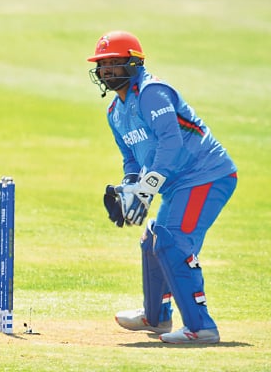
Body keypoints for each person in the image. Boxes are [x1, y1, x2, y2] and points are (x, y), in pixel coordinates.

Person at [87, 31, 237, 344]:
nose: (108, 71)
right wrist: (130, 187)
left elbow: (173, 142)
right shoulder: (115, 111)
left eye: (115, 63)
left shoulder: (152, 92)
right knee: (152, 240)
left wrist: (149, 186)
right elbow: (131, 158)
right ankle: (157, 318)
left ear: (135, 62)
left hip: (206, 175)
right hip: (179, 182)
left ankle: (202, 328)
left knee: (174, 242)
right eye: (103, 65)